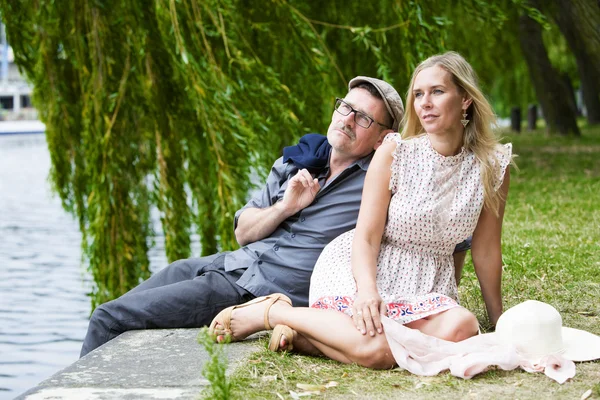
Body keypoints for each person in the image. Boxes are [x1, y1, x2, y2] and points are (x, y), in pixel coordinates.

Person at [209, 51, 512, 370]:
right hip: (367, 268)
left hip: (429, 281)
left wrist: (499, 321)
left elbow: (487, 248)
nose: (425, 102)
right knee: (377, 353)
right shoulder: (396, 152)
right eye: (418, 94)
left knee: (462, 326)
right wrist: (367, 291)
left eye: (437, 91)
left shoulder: (492, 166)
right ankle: (273, 312)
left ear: (465, 99)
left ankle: (306, 338)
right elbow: (366, 237)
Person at [79, 75, 406, 357]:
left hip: (257, 291)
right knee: (123, 306)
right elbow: (244, 233)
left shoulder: (378, 181)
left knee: (109, 317)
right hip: (230, 263)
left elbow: (431, 193)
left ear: (382, 137)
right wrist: (286, 207)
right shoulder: (295, 163)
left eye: (363, 118)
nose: (347, 119)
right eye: (345, 107)